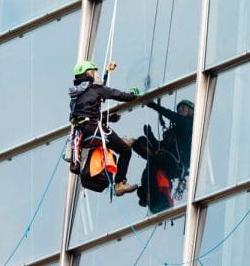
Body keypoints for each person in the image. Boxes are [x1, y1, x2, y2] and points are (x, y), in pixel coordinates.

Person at [67, 60, 141, 197]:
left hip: (82, 135)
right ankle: (120, 184)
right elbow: (116, 94)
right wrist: (132, 94)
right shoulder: (95, 89)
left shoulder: (75, 95)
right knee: (125, 151)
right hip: (94, 131)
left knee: (116, 144)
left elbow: (86, 114)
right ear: (89, 73)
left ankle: (122, 141)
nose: (96, 74)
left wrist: (108, 117)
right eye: (95, 72)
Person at [137, 98, 193, 211]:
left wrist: (154, 106)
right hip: (168, 160)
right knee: (141, 142)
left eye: (184, 107)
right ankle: (150, 193)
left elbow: (171, 115)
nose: (180, 109)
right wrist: (150, 136)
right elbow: (161, 146)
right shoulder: (174, 132)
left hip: (177, 163)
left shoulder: (188, 123)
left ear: (191, 111)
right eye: (179, 107)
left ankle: (149, 192)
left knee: (153, 161)